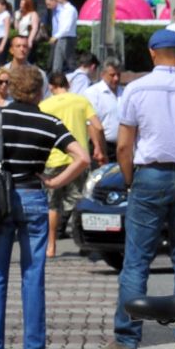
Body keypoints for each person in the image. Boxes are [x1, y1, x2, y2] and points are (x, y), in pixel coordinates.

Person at [102, 28, 175, 349]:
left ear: (152, 53)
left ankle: (126, 338)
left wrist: (129, 180)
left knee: (137, 259)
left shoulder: (135, 90)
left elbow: (124, 146)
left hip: (149, 175)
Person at [0, 64, 87, 349]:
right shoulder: (48, 122)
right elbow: (82, 157)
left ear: (11, 88)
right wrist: (55, 182)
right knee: (33, 273)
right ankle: (34, 345)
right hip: (33, 197)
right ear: (40, 90)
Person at [41, 68, 105, 258]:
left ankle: (51, 246)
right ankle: (83, 245)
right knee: (79, 201)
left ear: (51, 86)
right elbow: (98, 126)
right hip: (78, 160)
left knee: (53, 205)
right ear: (68, 85)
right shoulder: (81, 101)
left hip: (53, 158)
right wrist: (99, 148)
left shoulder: (45, 105)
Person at [85, 58, 123, 131]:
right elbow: (90, 123)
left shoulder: (124, 92)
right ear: (102, 74)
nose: (116, 78)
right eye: (112, 75)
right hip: (102, 141)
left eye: (118, 74)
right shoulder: (92, 93)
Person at [50, 0, 78, 75]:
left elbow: (67, 27)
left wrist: (56, 36)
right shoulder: (63, 9)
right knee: (57, 63)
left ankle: (75, 79)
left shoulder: (70, 10)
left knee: (70, 63)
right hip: (61, 38)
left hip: (68, 38)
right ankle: (55, 80)